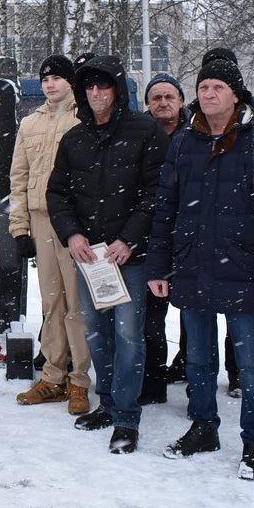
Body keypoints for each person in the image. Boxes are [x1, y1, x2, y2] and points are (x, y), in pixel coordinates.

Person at [147, 57, 254, 480]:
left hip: (244, 268)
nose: (208, 95)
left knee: (250, 362)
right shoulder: (185, 142)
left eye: (217, 88)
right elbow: (166, 207)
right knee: (198, 359)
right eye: (203, 87)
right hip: (192, 264)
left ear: (235, 93)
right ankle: (204, 426)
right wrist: (160, 265)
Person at [46, 55, 167, 455]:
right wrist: (72, 234)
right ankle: (110, 403)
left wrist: (130, 238)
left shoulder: (144, 130)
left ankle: (127, 417)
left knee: (129, 336)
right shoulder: (75, 138)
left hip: (127, 256)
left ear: (117, 89)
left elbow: (157, 192)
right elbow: (57, 193)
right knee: (96, 333)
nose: (96, 93)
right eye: (90, 87)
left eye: (104, 86)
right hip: (91, 257)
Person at [9, 55, 92, 415]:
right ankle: (53, 376)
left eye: (58, 78)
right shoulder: (29, 124)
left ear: (71, 82)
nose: (50, 84)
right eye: (45, 79)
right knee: (51, 303)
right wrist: (19, 227)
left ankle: (79, 381)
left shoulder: (84, 118)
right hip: (42, 220)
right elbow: (19, 178)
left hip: (75, 222)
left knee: (77, 305)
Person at [139, 73, 188, 402]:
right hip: (150, 235)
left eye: (169, 96)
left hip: (189, 235)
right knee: (151, 317)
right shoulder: (138, 134)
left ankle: (188, 369)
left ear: (181, 101)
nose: (163, 103)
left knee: (194, 316)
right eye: (156, 97)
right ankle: (153, 381)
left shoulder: (196, 133)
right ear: (148, 104)